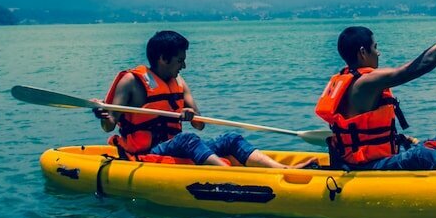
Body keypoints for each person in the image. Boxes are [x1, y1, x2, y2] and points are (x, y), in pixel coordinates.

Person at [97, 30, 307, 168]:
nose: (184, 66)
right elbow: (109, 126)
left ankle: (284, 170)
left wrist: (191, 115)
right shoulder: (130, 81)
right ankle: (231, 175)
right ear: (163, 58)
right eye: (180, 60)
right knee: (186, 140)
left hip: (177, 148)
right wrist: (103, 114)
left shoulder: (179, 81)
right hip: (145, 154)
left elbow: (199, 125)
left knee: (231, 139)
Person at [315, 12, 436, 171]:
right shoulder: (365, 82)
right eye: (375, 47)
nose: (378, 53)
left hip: (380, 156)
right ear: (363, 52)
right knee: (422, 155)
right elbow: (420, 66)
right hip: (364, 166)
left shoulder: (358, 80)